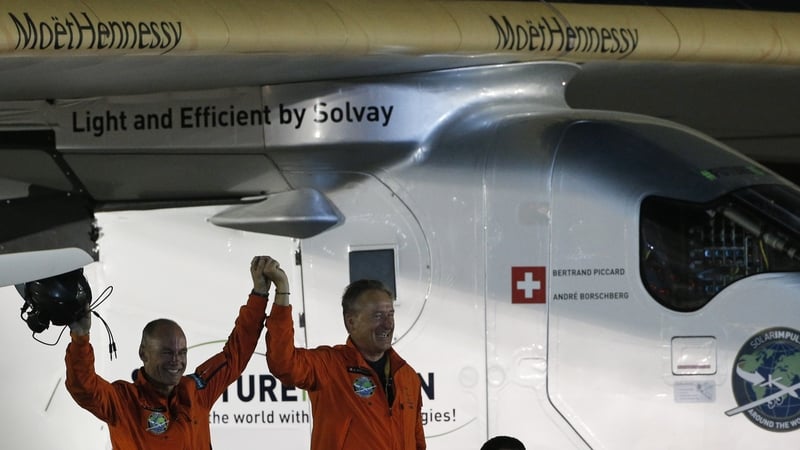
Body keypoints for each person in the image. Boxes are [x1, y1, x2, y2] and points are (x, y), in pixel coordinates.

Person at [64, 256, 281, 449]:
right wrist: (80, 338)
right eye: (167, 353)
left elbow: (236, 354)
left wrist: (260, 293)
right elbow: (83, 387)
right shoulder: (123, 400)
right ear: (143, 353)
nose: (176, 361)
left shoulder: (197, 390)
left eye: (182, 352)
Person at [259, 256, 426, 450]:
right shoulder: (329, 367)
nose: (388, 324)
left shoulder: (407, 377)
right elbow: (283, 362)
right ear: (351, 322)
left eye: (390, 315)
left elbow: (418, 444)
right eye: (378, 315)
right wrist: (282, 291)